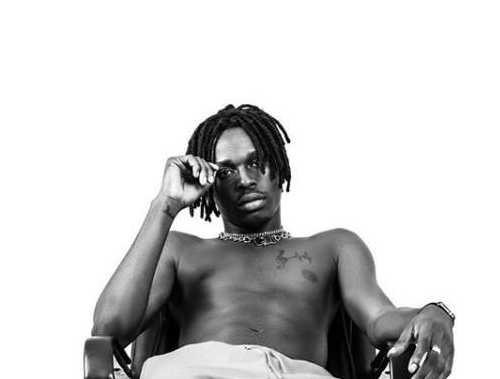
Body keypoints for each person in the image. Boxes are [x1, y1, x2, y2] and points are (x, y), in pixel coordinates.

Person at [91, 104, 455, 379]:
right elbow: (108, 331)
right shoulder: (181, 251)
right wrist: (165, 206)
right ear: (208, 186)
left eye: (257, 162)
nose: (245, 179)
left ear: (279, 168)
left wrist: (434, 312)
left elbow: (380, 319)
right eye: (226, 170)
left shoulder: (335, 247)